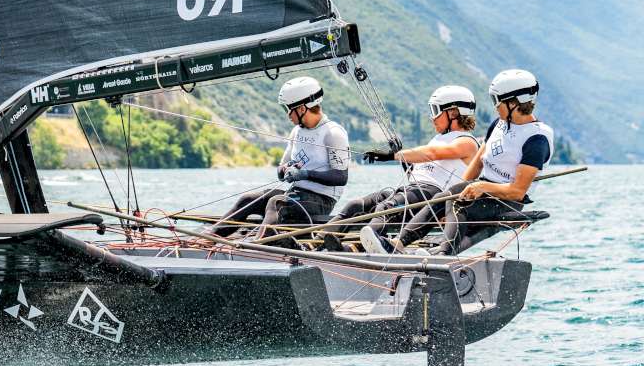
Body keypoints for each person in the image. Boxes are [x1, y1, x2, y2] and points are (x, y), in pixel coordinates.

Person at [364, 69, 553, 256]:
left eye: (497, 100)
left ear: (514, 102)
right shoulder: (498, 124)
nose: (495, 106)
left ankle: (443, 253)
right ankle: (398, 244)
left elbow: (517, 191)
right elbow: (478, 163)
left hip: (506, 200)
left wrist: (481, 187)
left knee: (456, 204)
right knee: (443, 198)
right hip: (484, 190)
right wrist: (460, 190)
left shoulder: (537, 139)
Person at [318, 85, 480, 252]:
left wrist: (392, 156)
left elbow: (432, 154)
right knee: (356, 205)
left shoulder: (467, 142)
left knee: (385, 209)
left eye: (435, 110)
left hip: (431, 195)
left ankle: (361, 248)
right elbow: (426, 165)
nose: (432, 117)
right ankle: (316, 243)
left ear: (453, 113)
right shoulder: (440, 138)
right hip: (414, 190)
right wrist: (408, 164)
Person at [211, 76, 349, 245]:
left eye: (288, 109)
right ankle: (209, 238)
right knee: (248, 199)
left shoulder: (333, 133)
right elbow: (281, 169)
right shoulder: (296, 131)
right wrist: (284, 170)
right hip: (296, 194)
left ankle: (257, 246)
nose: (287, 115)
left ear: (302, 108)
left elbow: (341, 177)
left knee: (276, 203)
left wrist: (305, 174)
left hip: (322, 200)